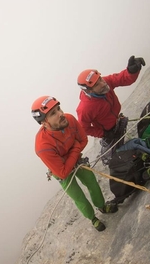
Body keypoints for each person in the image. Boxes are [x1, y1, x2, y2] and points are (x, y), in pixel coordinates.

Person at [31, 95, 118, 232]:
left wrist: (74, 151)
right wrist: (76, 148)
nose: (60, 114)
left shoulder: (69, 120)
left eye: (58, 108)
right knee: (78, 196)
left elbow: (83, 140)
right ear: (44, 123)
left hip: (75, 160)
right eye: (53, 113)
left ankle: (102, 206)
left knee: (92, 183)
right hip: (61, 169)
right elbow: (63, 172)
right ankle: (92, 218)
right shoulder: (43, 146)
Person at [76, 55, 145, 149]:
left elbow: (121, 78)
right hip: (108, 131)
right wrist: (104, 134)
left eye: (100, 79)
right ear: (89, 91)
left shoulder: (105, 81)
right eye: (97, 85)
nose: (103, 83)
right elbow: (84, 128)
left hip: (118, 121)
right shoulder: (85, 108)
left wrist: (131, 71)